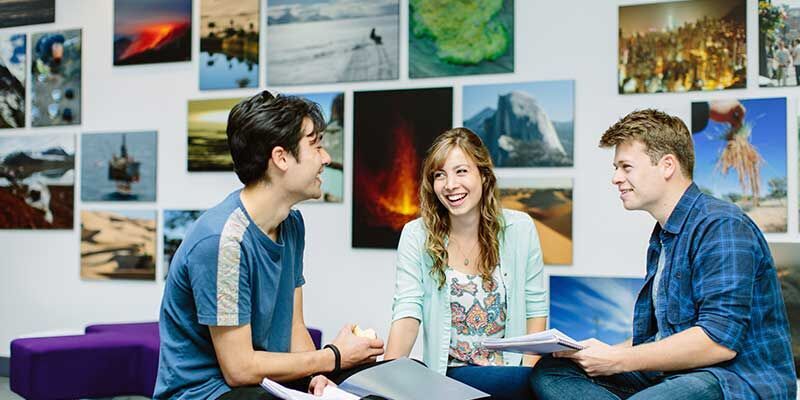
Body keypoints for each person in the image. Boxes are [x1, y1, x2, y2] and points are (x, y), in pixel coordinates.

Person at [530, 109, 796, 400]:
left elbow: (718, 342)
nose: (615, 178)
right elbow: (659, 337)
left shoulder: (723, 225)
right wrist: (600, 352)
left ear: (667, 165)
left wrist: (618, 360)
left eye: (626, 167)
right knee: (552, 370)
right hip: (676, 376)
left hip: (734, 379)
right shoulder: (663, 236)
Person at [154, 91, 384, 399]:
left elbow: (294, 328)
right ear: (281, 158)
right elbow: (239, 369)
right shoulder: (223, 242)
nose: (326, 158)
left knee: (384, 377)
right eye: (315, 144)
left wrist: (317, 377)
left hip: (266, 383)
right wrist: (334, 356)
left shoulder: (292, 224)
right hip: (207, 392)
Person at [385, 127, 548, 399]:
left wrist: (527, 377)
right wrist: (384, 380)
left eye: (461, 171)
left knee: (562, 374)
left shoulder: (520, 228)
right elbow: (407, 310)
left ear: (483, 175)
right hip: (450, 376)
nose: (450, 185)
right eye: (440, 175)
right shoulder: (416, 235)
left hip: (511, 375)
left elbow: (535, 308)